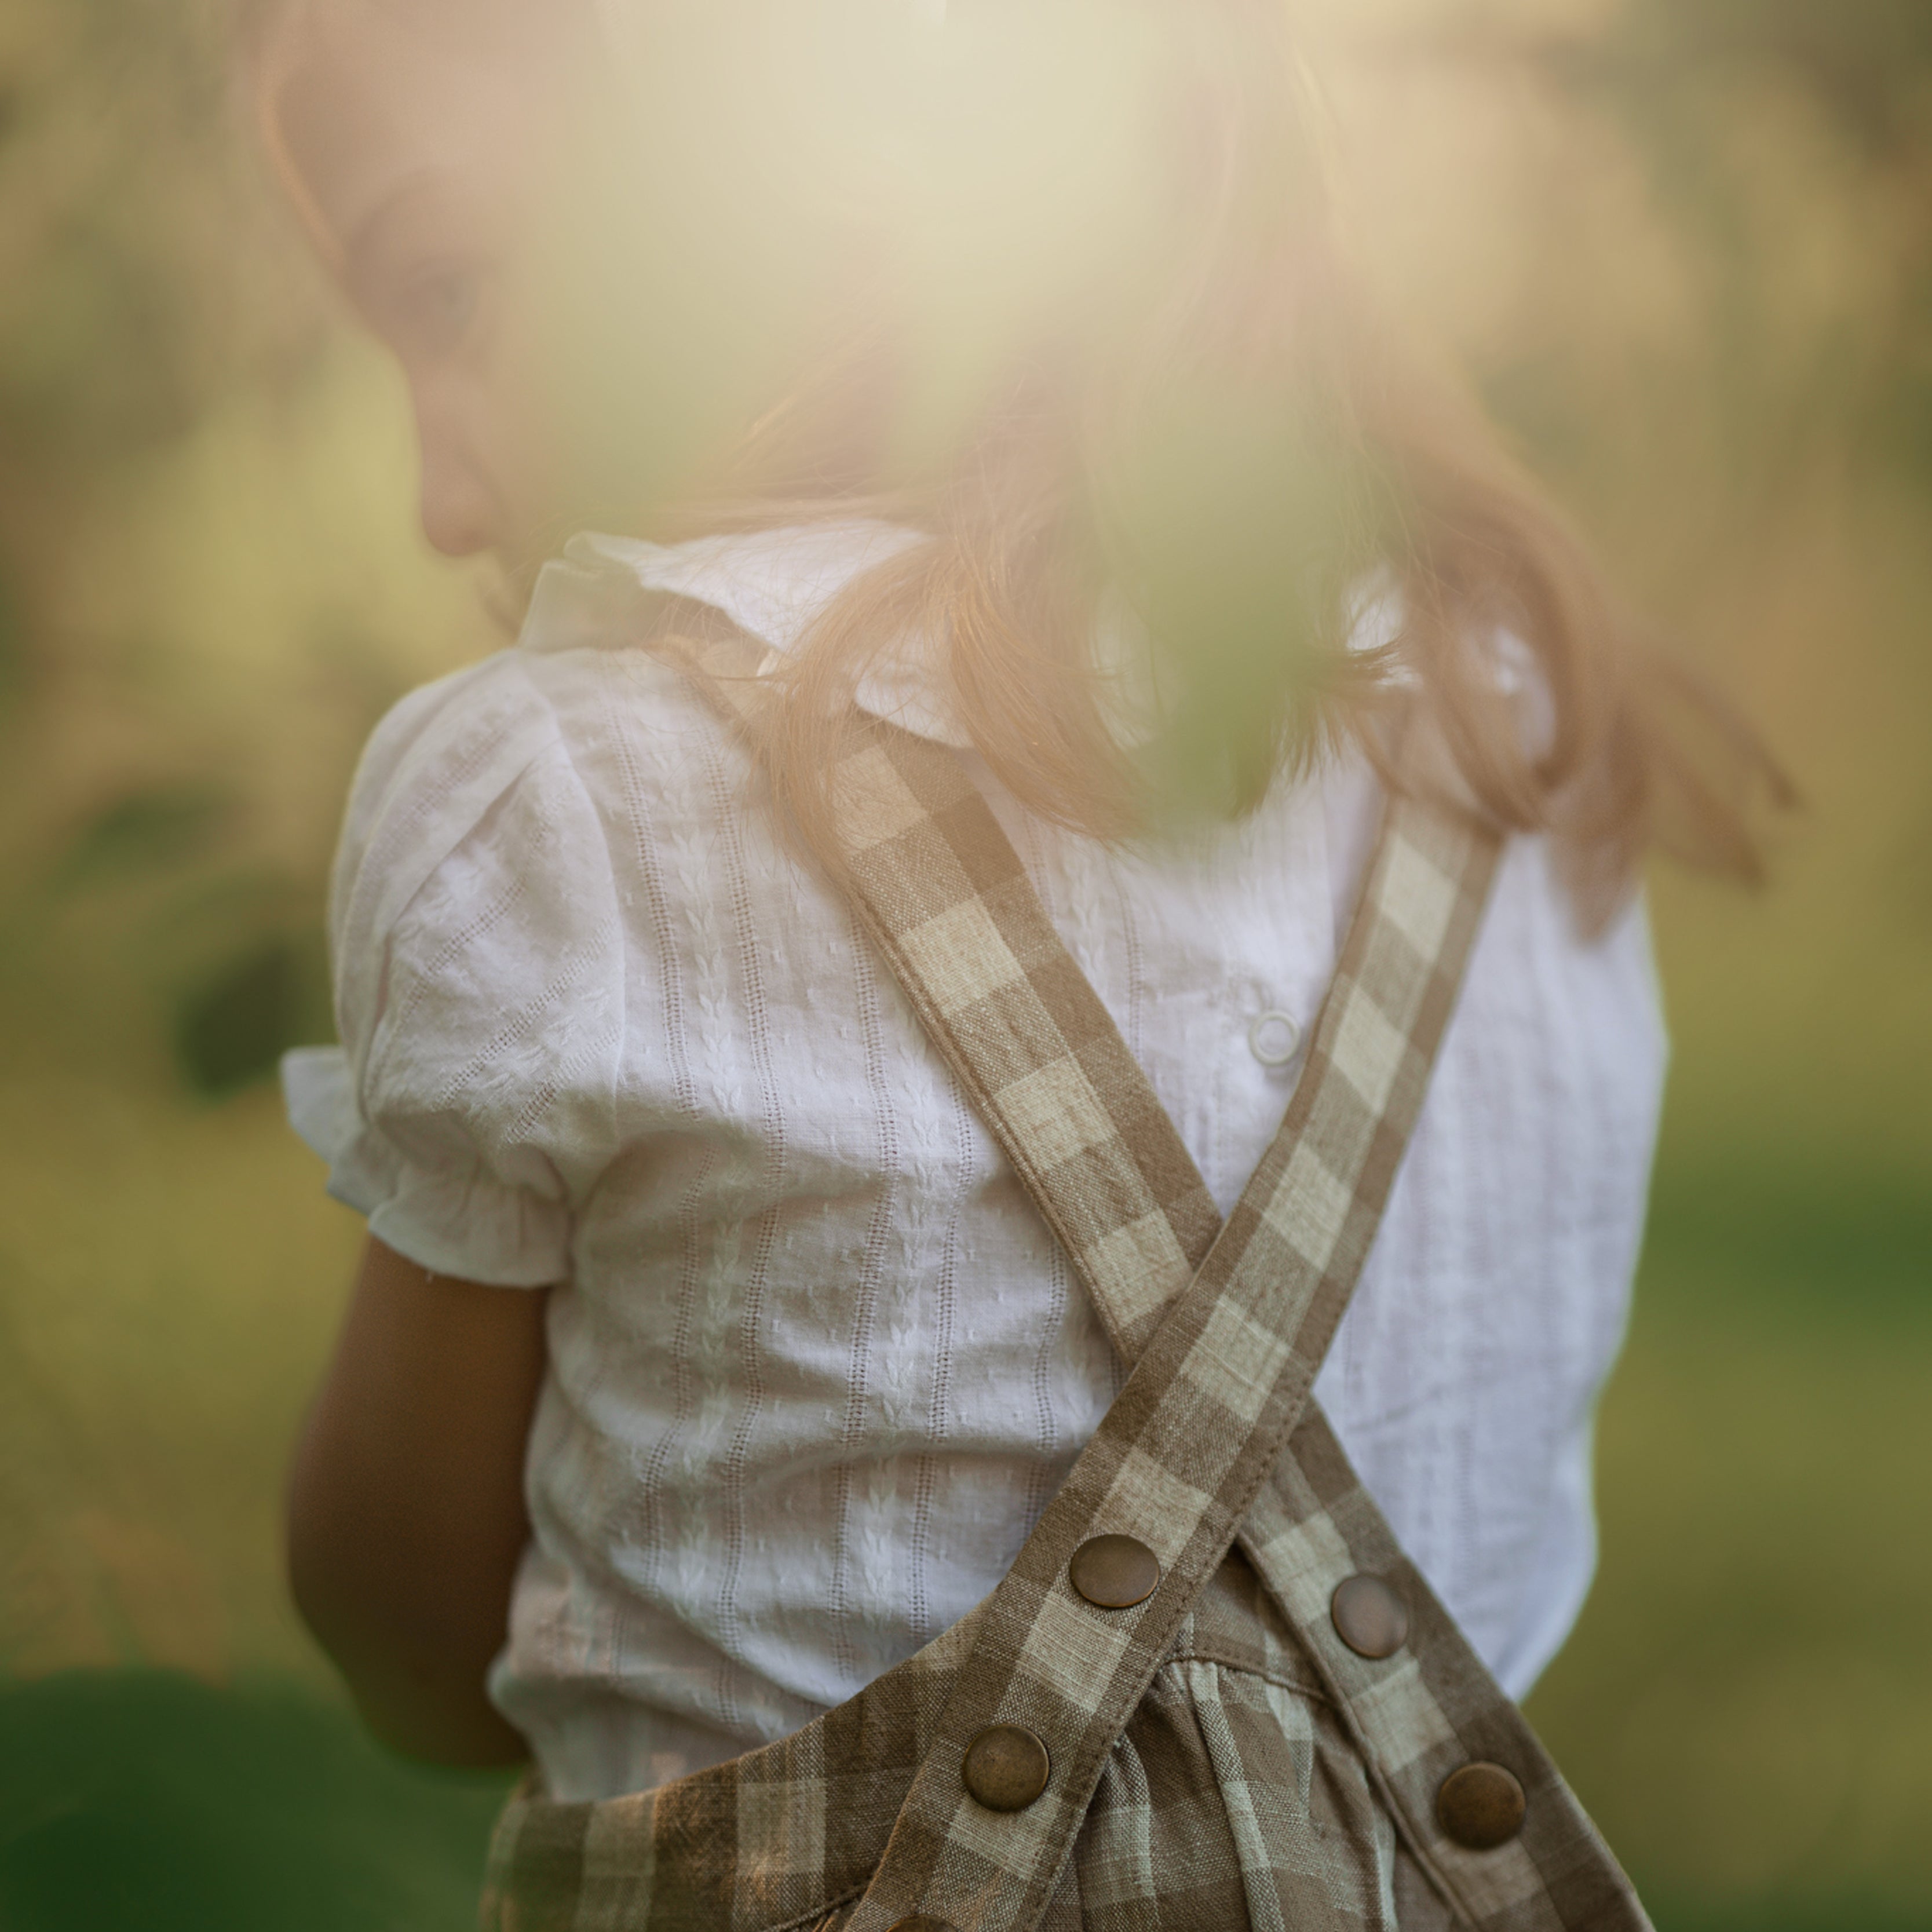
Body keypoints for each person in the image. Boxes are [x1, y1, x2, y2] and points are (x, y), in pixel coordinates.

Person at [265, 0, 1777, 1918]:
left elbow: (411, 1634)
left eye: (452, 287)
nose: (445, 498)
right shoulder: (1523, 744)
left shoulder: (556, 798)